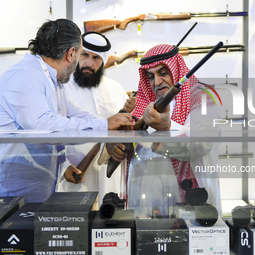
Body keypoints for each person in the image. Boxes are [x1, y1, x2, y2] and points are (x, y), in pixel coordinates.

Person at [0, 19, 133, 203]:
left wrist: (112, 123)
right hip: (14, 197)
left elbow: (74, 113)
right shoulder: (24, 76)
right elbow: (45, 127)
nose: (84, 61)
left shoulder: (53, 80)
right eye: (81, 54)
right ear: (71, 53)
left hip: (40, 191)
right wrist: (104, 124)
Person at [104, 44, 221, 217]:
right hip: (143, 197)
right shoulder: (143, 101)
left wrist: (168, 128)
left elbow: (201, 144)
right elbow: (124, 139)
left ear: (176, 70)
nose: (156, 82)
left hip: (186, 199)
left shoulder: (202, 96)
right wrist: (112, 146)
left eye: (163, 73)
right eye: (150, 76)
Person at [57, 31, 134, 204]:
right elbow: (52, 131)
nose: (88, 63)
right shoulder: (62, 88)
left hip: (111, 175)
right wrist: (63, 166)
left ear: (104, 61)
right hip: (75, 174)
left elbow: (128, 131)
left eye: (96, 58)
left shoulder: (115, 88)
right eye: (85, 55)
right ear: (76, 54)